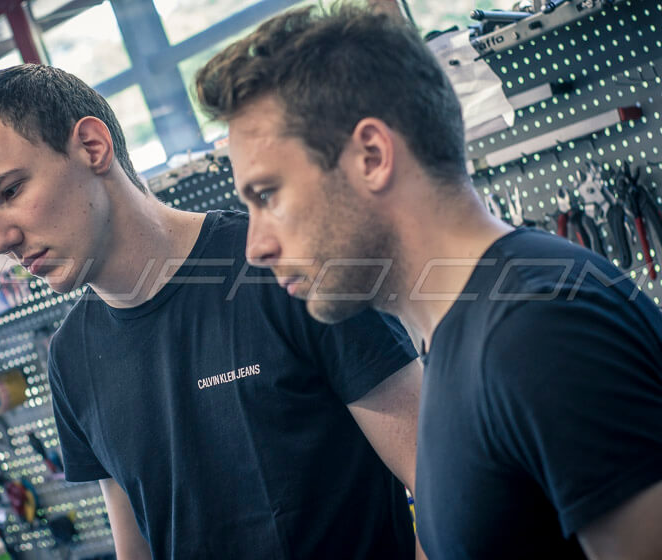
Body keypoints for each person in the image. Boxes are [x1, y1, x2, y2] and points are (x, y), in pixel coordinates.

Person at [194, 4, 662, 559]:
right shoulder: (460, 335)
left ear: (371, 156)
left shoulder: (539, 328)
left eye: (267, 195)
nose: (256, 246)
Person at [0, 64, 424, 559]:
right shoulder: (70, 359)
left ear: (92, 147)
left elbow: (443, 483)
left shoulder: (283, 268)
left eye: (10, 192)